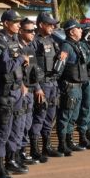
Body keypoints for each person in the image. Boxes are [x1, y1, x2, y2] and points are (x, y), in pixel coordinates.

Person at [0, 9, 27, 178]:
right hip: (6, 92)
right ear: (6, 23)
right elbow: (6, 66)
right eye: (16, 22)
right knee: (3, 130)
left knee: (16, 127)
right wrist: (21, 59)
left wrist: (23, 84)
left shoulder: (13, 41)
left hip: (17, 89)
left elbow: (18, 67)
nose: (19, 25)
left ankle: (11, 159)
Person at [29, 13, 64, 161]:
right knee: (39, 117)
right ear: (41, 25)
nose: (53, 27)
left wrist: (61, 57)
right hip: (42, 84)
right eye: (50, 24)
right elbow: (32, 67)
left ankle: (47, 146)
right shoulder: (34, 42)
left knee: (50, 116)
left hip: (53, 83)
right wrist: (37, 87)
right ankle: (34, 149)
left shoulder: (52, 40)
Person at [57, 19, 87, 156]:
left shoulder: (76, 45)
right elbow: (59, 69)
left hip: (78, 86)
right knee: (66, 115)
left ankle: (69, 140)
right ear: (71, 32)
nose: (81, 30)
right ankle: (62, 144)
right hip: (69, 86)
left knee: (73, 115)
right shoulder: (66, 46)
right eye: (78, 28)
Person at [17, 17, 41, 165]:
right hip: (21, 91)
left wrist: (37, 87)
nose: (32, 33)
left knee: (27, 123)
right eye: (29, 31)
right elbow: (14, 71)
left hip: (31, 90)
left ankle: (23, 151)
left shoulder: (30, 48)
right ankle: (17, 153)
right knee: (19, 124)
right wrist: (21, 85)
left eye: (34, 31)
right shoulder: (16, 49)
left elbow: (34, 71)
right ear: (21, 31)